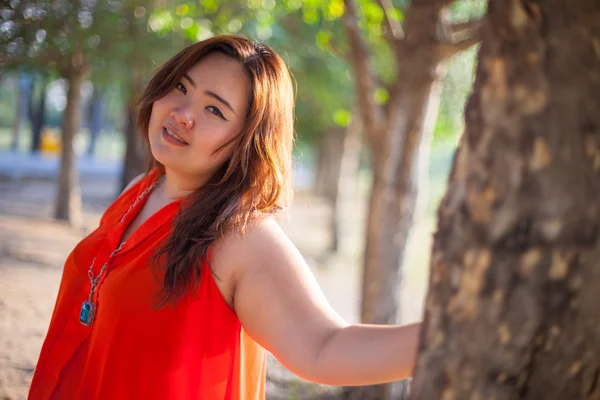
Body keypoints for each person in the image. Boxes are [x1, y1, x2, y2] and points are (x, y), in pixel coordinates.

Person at [29, 35, 421, 400]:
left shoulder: (240, 237)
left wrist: (456, 336)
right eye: (181, 88)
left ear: (247, 143)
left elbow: (323, 346)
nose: (182, 113)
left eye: (214, 109)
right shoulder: (144, 188)